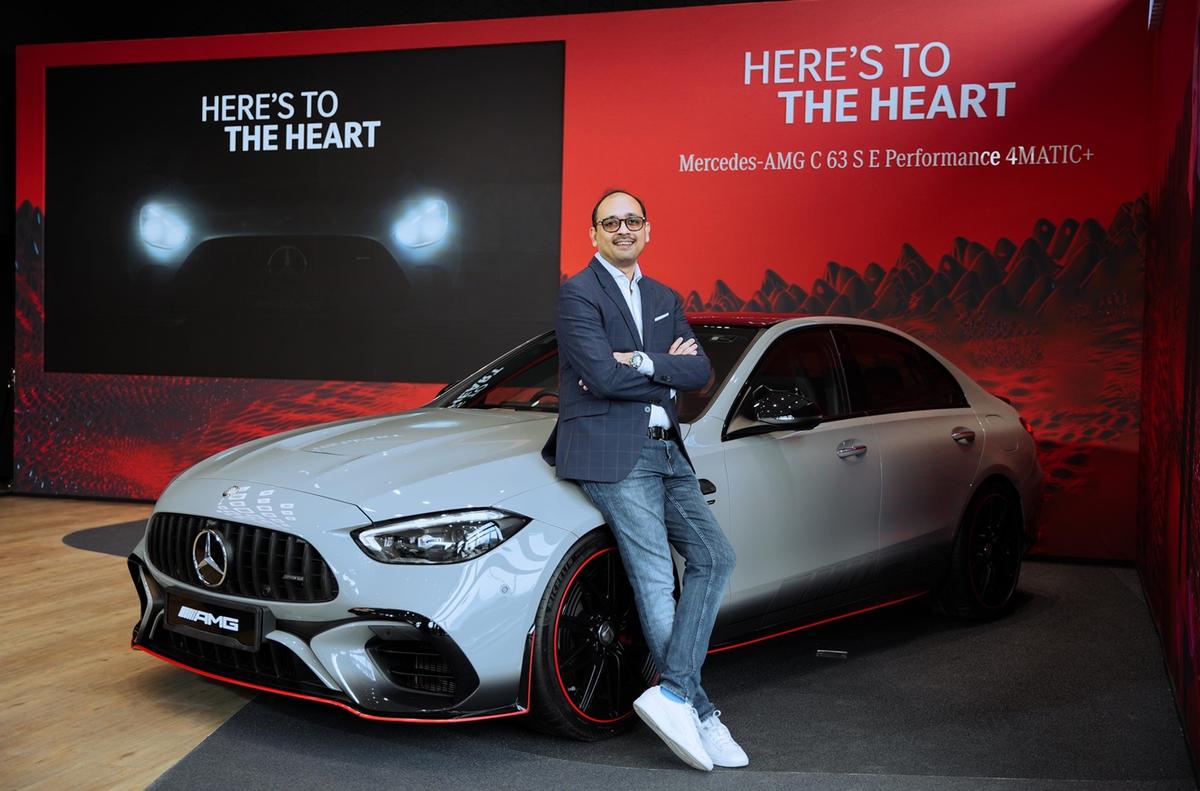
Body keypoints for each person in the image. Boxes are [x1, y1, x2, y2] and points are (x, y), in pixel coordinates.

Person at [540, 189, 746, 771]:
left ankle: (677, 692)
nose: (623, 230)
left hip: (668, 451)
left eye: (633, 221)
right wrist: (662, 372)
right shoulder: (578, 293)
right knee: (656, 579)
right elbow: (601, 376)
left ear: (648, 230)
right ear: (594, 235)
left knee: (716, 557)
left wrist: (645, 362)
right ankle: (700, 711)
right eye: (611, 223)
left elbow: (700, 370)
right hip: (612, 453)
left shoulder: (663, 297)